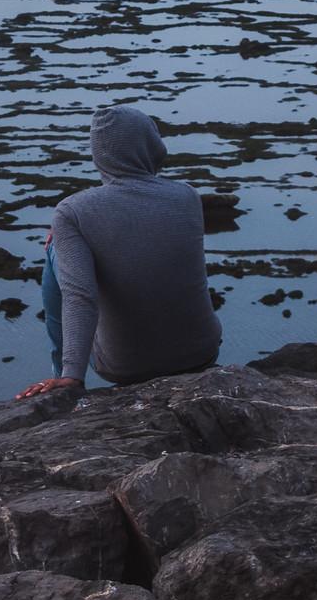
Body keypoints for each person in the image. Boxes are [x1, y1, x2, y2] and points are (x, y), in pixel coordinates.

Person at [17, 104, 222, 398]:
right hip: (201, 354)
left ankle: (64, 378)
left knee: (56, 253)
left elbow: (80, 296)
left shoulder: (73, 211)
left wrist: (67, 230)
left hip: (127, 367)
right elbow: (139, 230)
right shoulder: (187, 196)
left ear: (99, 154)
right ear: (152, 145)